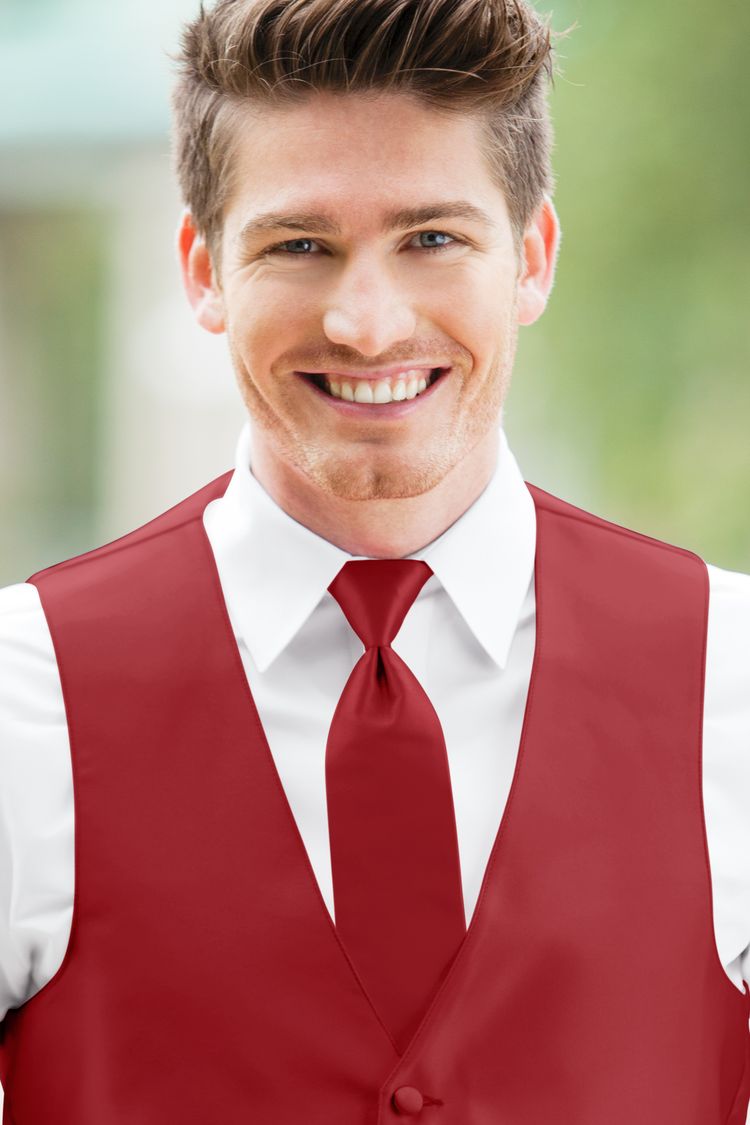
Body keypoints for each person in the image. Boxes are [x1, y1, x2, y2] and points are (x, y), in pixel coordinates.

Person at [0, 0, 748, 1120]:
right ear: (203, 270)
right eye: (299, 245)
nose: (366, 324)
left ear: (532, 258)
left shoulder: (733, 674)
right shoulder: (22, 698)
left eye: (432, 239)